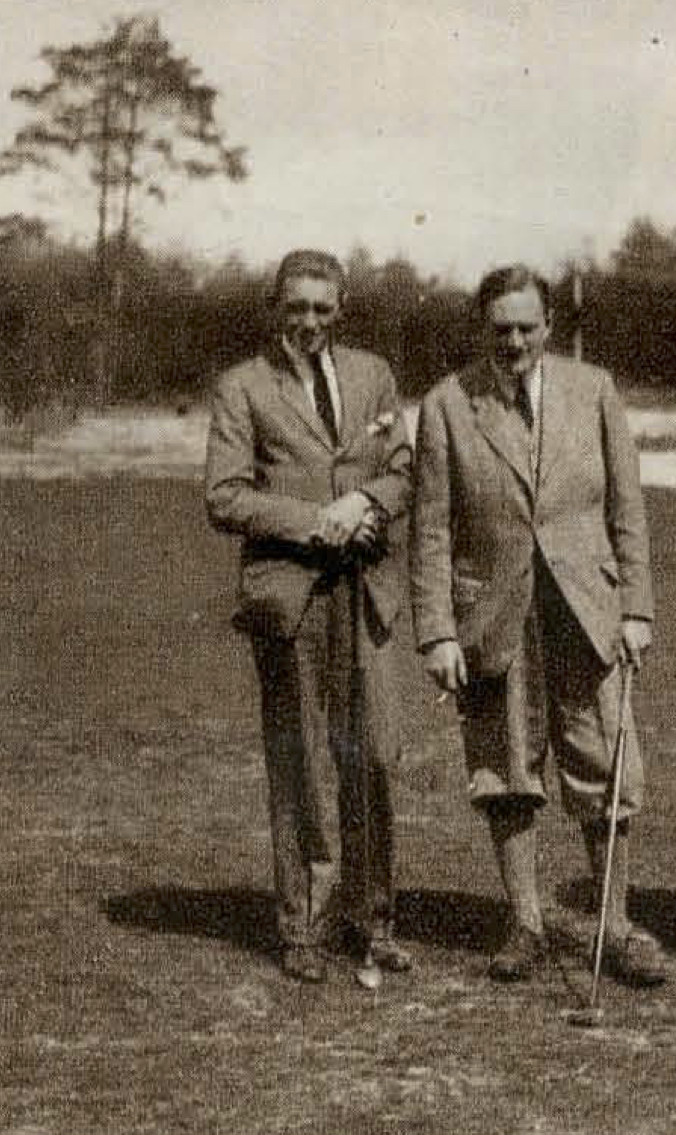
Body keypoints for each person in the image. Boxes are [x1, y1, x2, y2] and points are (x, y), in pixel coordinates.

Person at [410, 264, 669, 986]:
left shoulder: (595, 392)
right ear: (481, 330)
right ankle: (524, 922)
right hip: (494, 615)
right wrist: (437, 632)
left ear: (551, 327)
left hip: (588, 611)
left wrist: (638, 609)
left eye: (527, 326)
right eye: (501, 329)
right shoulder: (447, 405)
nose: (515, 341)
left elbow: (628, 510)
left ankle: (616, 926)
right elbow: (429, 530)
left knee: (606, 767)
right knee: (506, 770)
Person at [205, 249, 413, 983]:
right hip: (290, 597)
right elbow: (225, 496)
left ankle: (373, 918)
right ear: (275, 306)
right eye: (296, 307)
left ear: (340, 309)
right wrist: (316, 521)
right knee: (299, 762)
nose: (310, 322)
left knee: (376, 755)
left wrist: (370, 503)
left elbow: (402, 468)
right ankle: (301, 923)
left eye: (323, 308)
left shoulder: (374, 375)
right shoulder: (242, 387)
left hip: (367, 589)